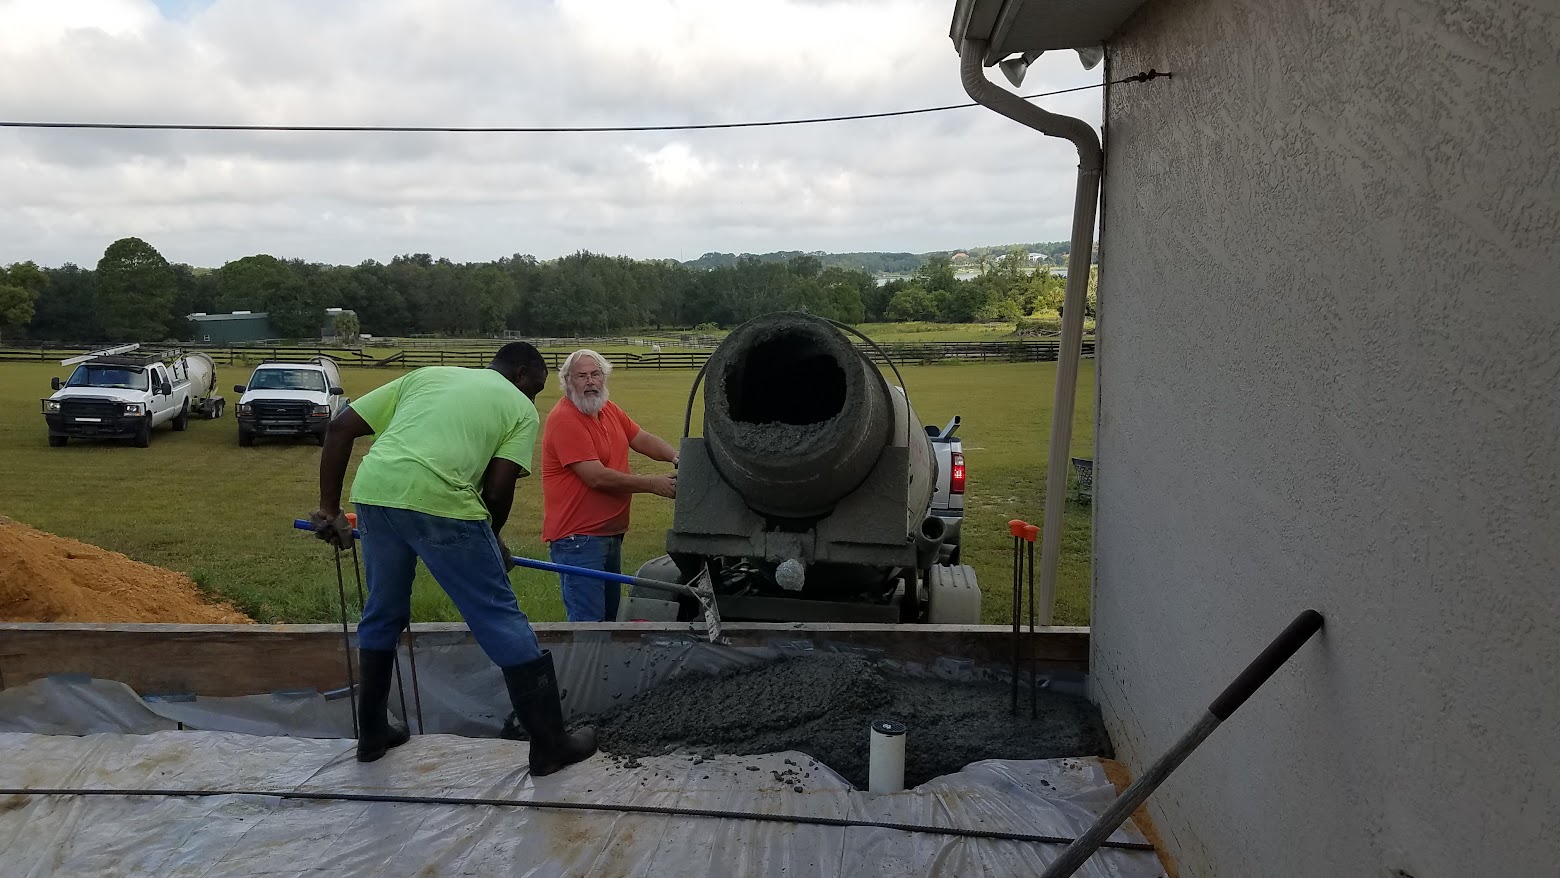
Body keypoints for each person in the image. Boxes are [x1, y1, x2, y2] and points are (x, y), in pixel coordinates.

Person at [309, 342, 596, 774]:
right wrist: (491, 540)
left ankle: (372, 733)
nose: (532, 397)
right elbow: (498, 487)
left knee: (383, 610)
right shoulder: (520, 408)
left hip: (376, 493)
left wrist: (330, 510)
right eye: (534, 388)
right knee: (498, 615)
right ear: (520, 374)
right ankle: (551, 745)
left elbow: (339, 428)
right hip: (443, 504)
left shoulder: (427, 375)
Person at [541, 349, 679, 622]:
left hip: (610, 533)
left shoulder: (607, 410)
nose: (590, 382)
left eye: (595, 374)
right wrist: (653, 484)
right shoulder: (565, 419)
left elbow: (640, 438)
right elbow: (596, 477)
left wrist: (676, 457)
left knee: (609, 620)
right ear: (568, 382)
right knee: (589, 625)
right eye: (582, 376)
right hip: (579, 540)